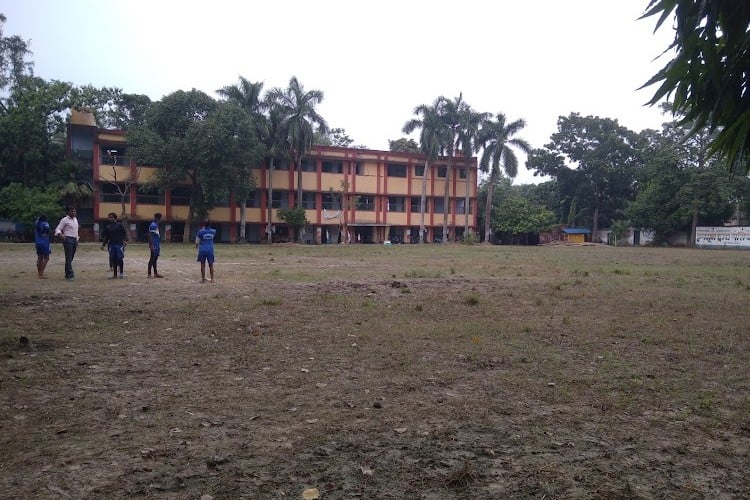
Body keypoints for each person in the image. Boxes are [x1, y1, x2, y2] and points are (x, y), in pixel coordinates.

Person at [54, 207, 79, 280]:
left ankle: (67, 272)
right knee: (68, 257)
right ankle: (70, 274)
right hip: (68, 239)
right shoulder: (65, 220)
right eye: (72, 211)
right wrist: (60, 234)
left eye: (74, 211)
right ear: (68, 212)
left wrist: (77, 239)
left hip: (74, 239)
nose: (73, 213)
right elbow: (58, 228)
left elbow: (76, 230)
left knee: (71, 258)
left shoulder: (75, 219)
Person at [100, 212, 128, 279]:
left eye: (111, 217)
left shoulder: (120, 225)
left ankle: (121, 273)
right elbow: (106, 237)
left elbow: (124, 233)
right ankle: (115, 275)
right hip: (112, 245)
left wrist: (125, 240)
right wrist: (103, 245)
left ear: (115, 218)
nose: (110, 218)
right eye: (109, 217)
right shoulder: (108, 227)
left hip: (119, 244)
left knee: (120, 258)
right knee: (113, 259)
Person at [195, 219, 216, 283]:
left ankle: (203, 279)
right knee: (211, 264)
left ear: (204, 224)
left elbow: (197, 242)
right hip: (210, 249)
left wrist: (196, 247)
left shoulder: (200, 232)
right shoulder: (214, 231)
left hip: (202, 250)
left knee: (202, 264)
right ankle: (212, 279)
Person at [147, 213, 164, 278]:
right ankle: (149, 274)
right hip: (154, 245)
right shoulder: (153, 225)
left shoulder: (156, 225)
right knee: (152, 258)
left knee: (155, 259)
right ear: (158, 218)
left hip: (157, 244)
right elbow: (149, 235)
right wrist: (151, 245)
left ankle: (155, 273)